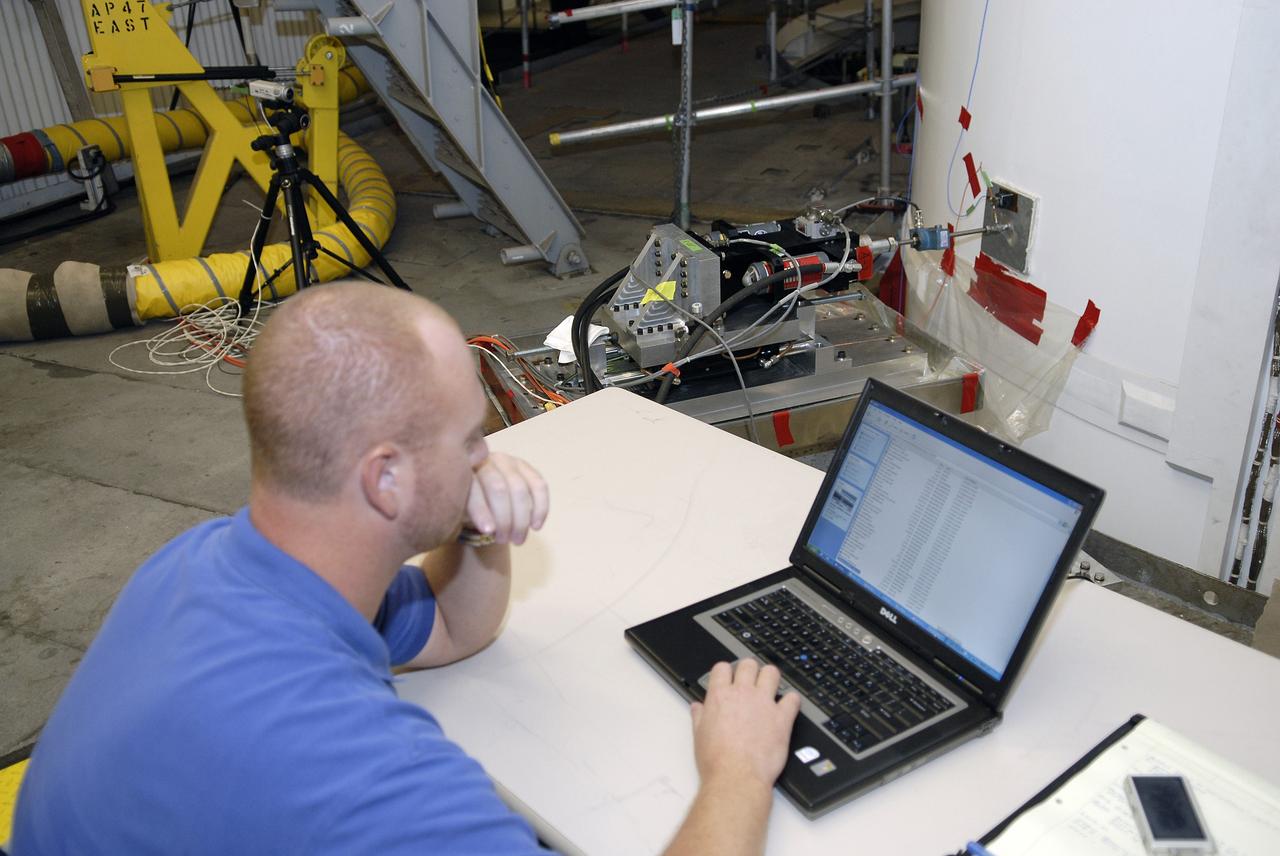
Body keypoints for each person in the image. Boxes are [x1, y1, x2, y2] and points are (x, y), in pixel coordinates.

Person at [11, 282, 800, 855]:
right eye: (469, 439)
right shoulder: (362, 772)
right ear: (384, 478)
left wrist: (477, 527)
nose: (490, 456)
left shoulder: (205, 564)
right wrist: (737, 772)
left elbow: (455, 627)